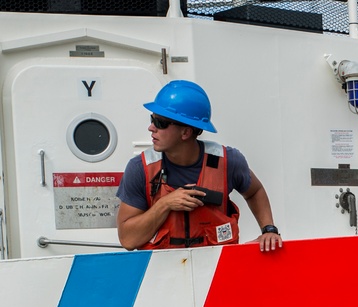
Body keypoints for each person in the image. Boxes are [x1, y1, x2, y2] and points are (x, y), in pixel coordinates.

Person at [117, 80, 282, 251]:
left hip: (217, 271)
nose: (151, 128)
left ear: (186, 132)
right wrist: (164, 204)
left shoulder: (228, 161)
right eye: (152, 119)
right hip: (163, 273)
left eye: (160, 123)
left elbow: (255, 191)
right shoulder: (140, 169)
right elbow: (128, 240)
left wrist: (268, 229)